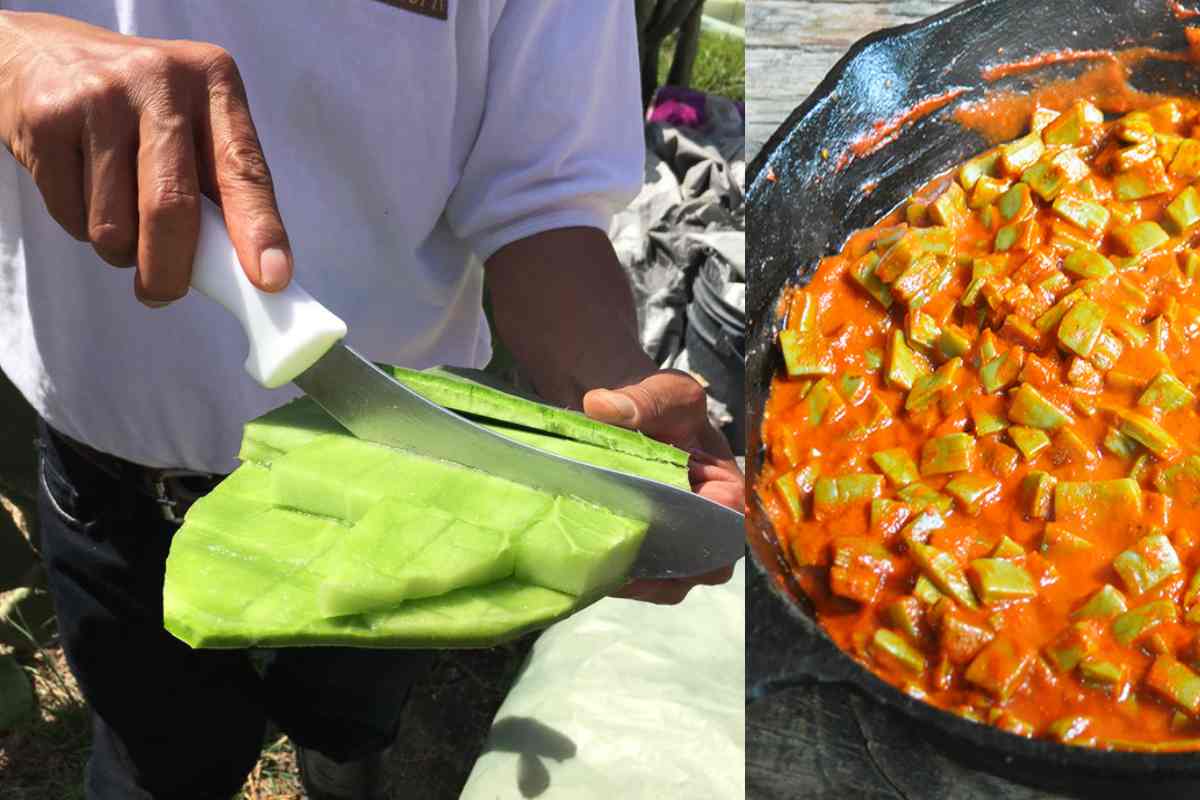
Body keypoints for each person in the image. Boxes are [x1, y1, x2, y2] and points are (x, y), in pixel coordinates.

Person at [0, 3, 744, 799]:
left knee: (350, 713)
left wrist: (611, 387)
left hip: (413, 478)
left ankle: (340, 759)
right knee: (158, 767)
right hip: (110, 467)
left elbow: (541, 194)